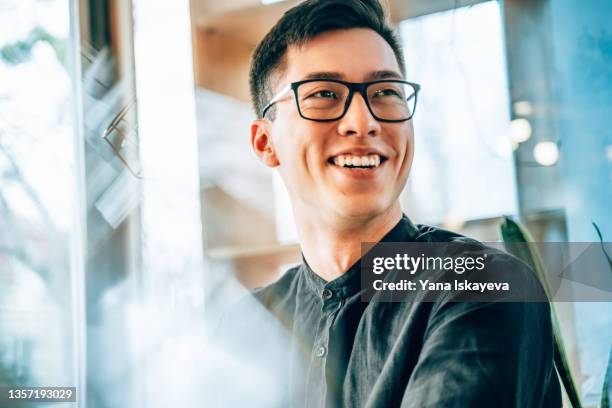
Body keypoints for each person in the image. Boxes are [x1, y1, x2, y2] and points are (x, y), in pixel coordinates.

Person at [223, 0, 561, 406]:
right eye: (324, 94)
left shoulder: (481, 287)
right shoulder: (246, 325)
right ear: (265, 142)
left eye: (384, 92)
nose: (363, 121)